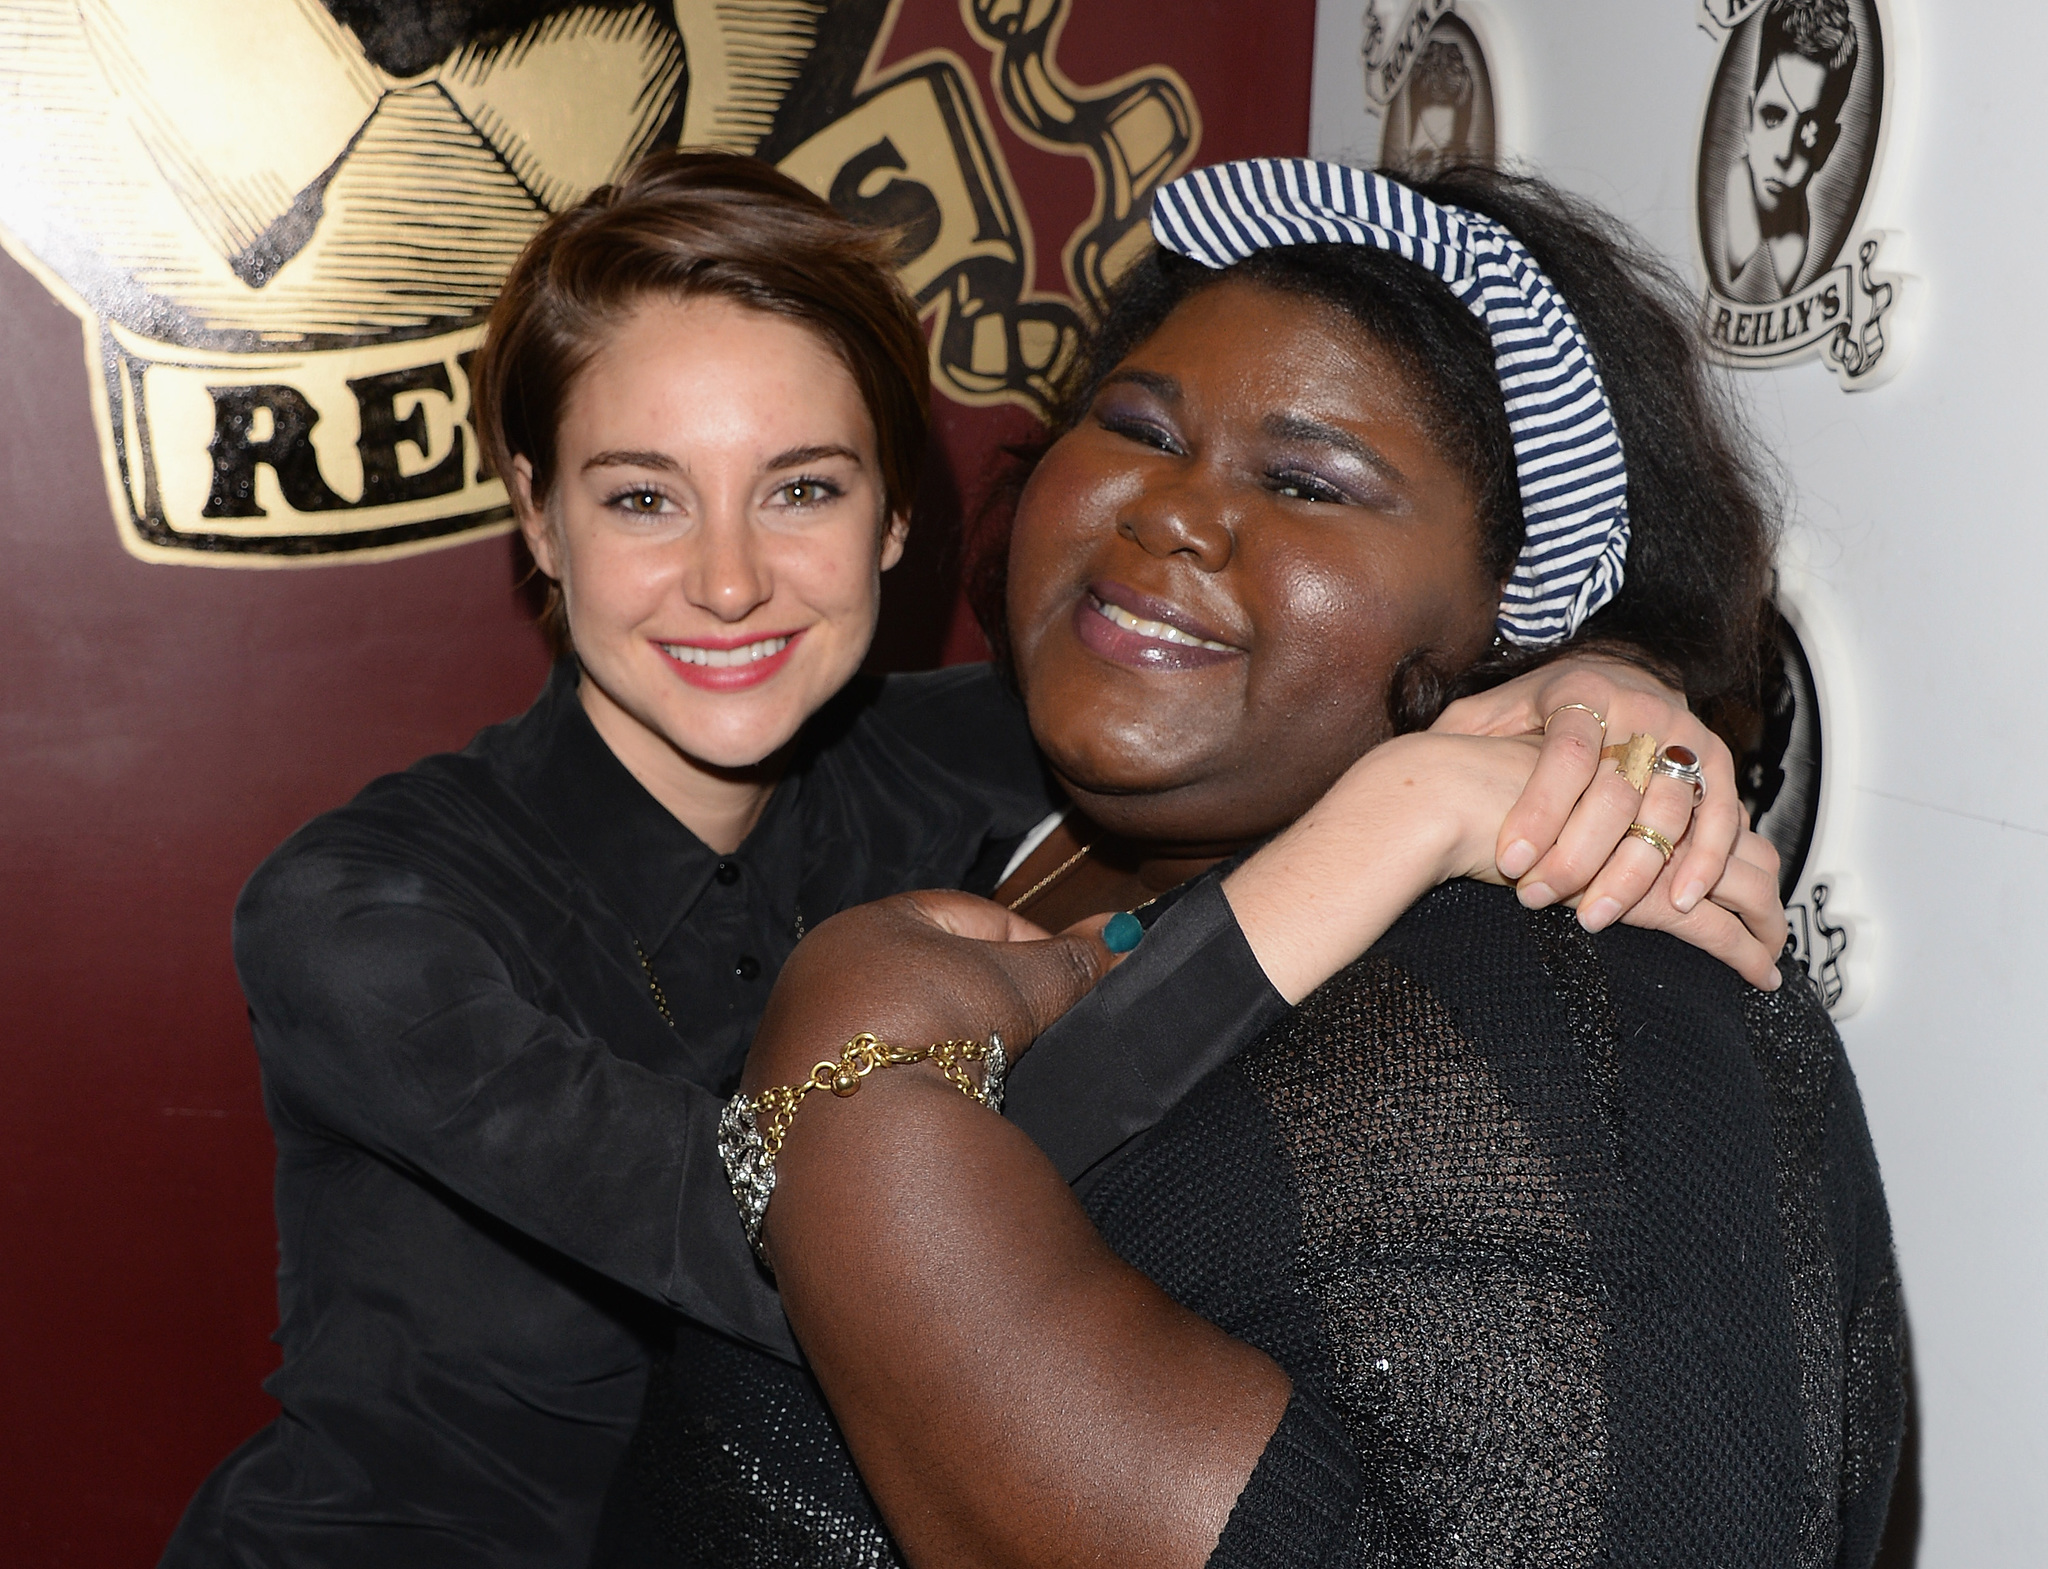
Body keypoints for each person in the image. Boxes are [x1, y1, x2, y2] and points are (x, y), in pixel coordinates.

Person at [159, 152, 1780, 1568]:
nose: (726, 580)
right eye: (642, 495)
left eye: (799, 488)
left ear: (890, 518)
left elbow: (1274, 674)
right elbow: (807, 1231)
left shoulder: (973, 755)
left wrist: (1592, 672)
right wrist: (1391, 822)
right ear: (535, 513)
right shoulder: (362, 913)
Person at [598, 159, 1900, 1567]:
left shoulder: (1557, 999)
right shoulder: (960, 805)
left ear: (1508, 615)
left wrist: (853, 1077)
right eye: (1140, 428)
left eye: (1306, 481)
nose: (1176, 511)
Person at [1722, 0, 1859, 302]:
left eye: (1809, 129)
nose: (1785, 153)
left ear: (1828, 144)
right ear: (1747, 117)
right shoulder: (1724, 232)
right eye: (1772, 117)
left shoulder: (1808, 258)